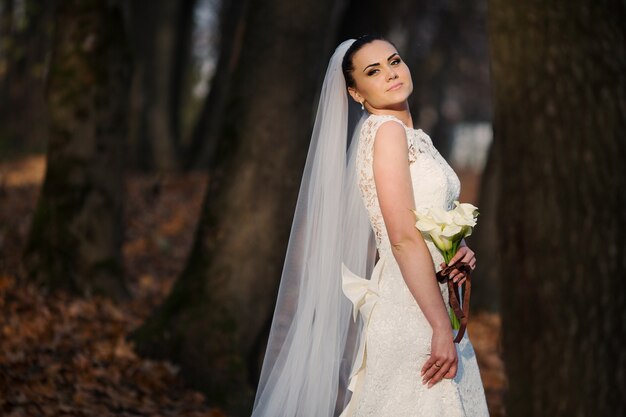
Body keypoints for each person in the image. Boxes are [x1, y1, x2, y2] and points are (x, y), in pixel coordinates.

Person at [251, 36, 489, 417]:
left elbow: (424, 224)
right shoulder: (387, 133)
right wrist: (439, 328)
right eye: (373, 71)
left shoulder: (409, 136)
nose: (391, 73)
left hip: (431, 300)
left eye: (394, 61)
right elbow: (401, 239)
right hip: (417, 313)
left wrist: (456, 248)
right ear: (355, 92)